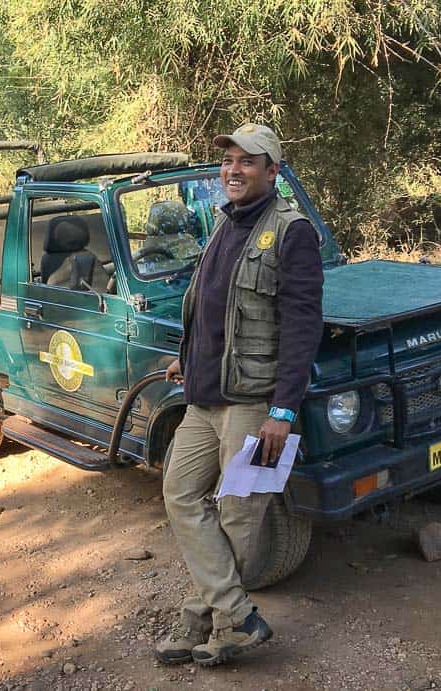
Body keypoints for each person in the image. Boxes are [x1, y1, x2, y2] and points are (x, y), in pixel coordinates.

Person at [155, 124, 324, 667]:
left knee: (239, 515)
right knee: (180, 494)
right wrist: (189, 353)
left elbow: (302, 327)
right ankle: (237, 617)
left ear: (272, 172)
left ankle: (209, 622)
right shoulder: (225, 224)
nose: (233, 169)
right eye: (228, 160)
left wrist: (282, 411)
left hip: (254, 404)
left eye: (247, 162)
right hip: (204, 399)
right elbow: (213, 307)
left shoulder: (291, 232)